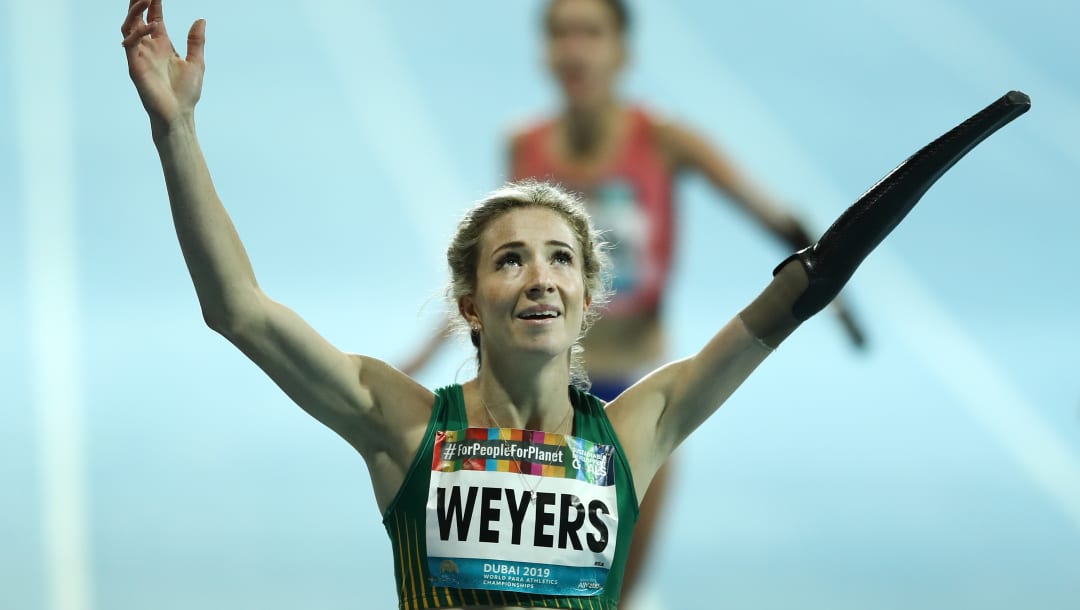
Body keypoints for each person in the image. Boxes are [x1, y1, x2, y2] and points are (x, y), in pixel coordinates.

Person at [120, 0, 1028, 609]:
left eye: (561, 260)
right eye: (511, 260)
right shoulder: (401, 427)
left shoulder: (637, 432)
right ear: (471, 303)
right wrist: (177, 131)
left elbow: (794, 292)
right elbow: (237, 308)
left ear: (587, 298)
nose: (541, 277)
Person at [401, 1, 865, 600]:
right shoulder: (526, 146)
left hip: (639, 396)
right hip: (549, 400)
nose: (574, 49)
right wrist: (419, 355)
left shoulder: (666, 141)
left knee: (613, 595)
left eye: (590, 33)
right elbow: (494, 270)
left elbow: (777, 217)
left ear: (623, 50)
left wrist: (837, 297)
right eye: (560, 34)